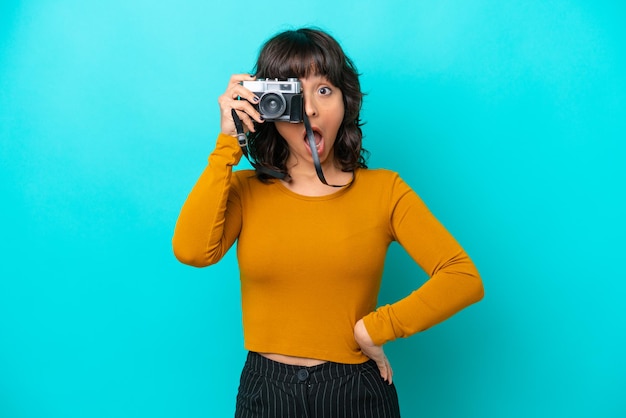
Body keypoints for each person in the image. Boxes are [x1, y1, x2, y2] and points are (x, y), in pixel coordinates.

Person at [172, 27, 484, 418]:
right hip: (265, 392)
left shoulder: (384, 191)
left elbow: (462, 276)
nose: (310, 111)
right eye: (292, 95)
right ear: (266, 106)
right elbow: (192, 251)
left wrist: (377, 327)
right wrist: (227, 144)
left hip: (356, 392)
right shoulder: (243, 190)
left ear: (345, 102)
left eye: (324, 90)